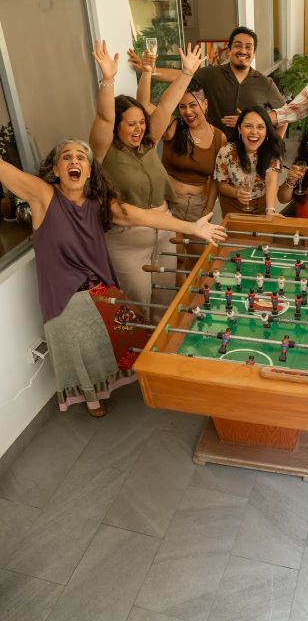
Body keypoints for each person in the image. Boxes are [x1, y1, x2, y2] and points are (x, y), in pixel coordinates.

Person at [0, 139, 225, 417]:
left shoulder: (99, 204)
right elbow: (5, 170)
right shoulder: (43, 196)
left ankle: (146, 380)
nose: (74, 161)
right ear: (56, 169)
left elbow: (141, 216)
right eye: (67, 157)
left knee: (135, 333)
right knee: (80, 349)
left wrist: (191, 227)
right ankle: (92, 398)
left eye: (81, 157)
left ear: (89, 171)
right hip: (62, 298)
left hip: (99, 288)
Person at [90, 40, 204, 316]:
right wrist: (108, 80)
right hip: (128, 243)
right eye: (131, 124)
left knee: (165, 305)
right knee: (139, 310)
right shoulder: (104, 151)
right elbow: (104, 117)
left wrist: (187, 73)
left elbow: (165, 106)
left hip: (164, 233)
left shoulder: (148, 143)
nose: (139, 129)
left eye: (141, 122)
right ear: (117, 127)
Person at [135, 64, 226, 264]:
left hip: (198, 207)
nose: (188, 111)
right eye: (182, 106)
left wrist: (208, 209)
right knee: (175, 258)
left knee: (198, 260)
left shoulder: (219, 138)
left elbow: (216, 179)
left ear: (205, 104)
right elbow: (143, 105)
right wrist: (147, 71)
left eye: (193, 105)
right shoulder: (173, 126)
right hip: (168, 203)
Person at [130, 27, 285, 137]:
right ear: (229, 50)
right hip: (214, 149)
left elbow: (285, 115)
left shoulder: (266, 84)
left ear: (254, 54)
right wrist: (148, 70)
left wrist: (276, 147)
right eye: (238, 45)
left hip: (252, 153)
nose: (243, 51)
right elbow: (180, 76)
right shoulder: (212, 74)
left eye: (248, 47)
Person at [214, 106, 283, 217]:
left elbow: (271, 179)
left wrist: (270, 210)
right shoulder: (227, 152)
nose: (254, 132)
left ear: (266, 131)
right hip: (233, 206)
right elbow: (221, 184)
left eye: (260, 127)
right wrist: (236, 192)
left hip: (262, 206)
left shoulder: (272, 150)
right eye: (248, 126)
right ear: (239, 129)